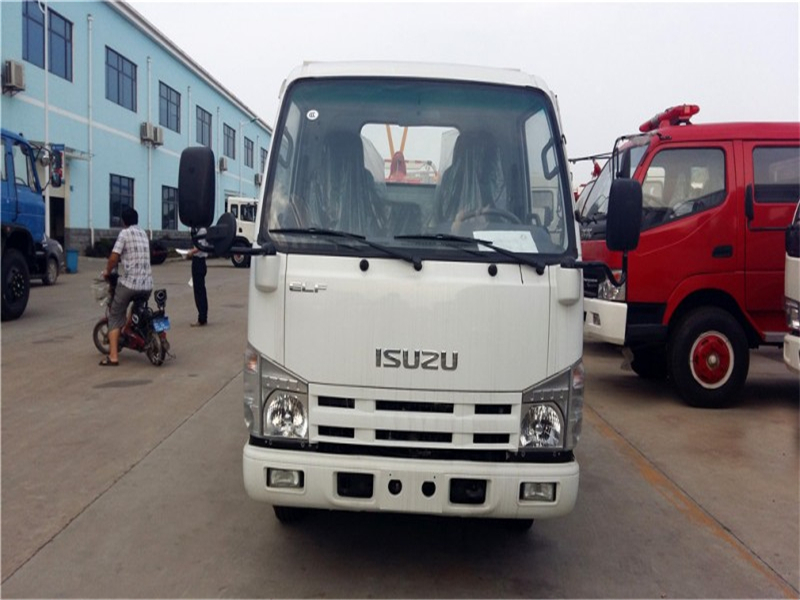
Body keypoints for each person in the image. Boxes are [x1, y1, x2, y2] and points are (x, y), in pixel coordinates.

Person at [99, 207, 153, 366]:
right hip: (147, 284)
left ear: (123, 221)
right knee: (136, 307)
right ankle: (129, 330)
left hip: (130, 284)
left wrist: (107, 271)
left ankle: (113, 356)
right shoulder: (144, 233)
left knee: (115, 315)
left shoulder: (124, 233)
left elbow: (114, 257)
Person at [186, 227, 209, 327]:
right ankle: (202, 316)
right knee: (198, 290)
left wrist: (191, 252)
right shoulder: (197, 230)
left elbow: (200, 247)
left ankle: (202, 318)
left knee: (200, 291)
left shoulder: (202, 231)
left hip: (199, 261)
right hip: (197, 261)